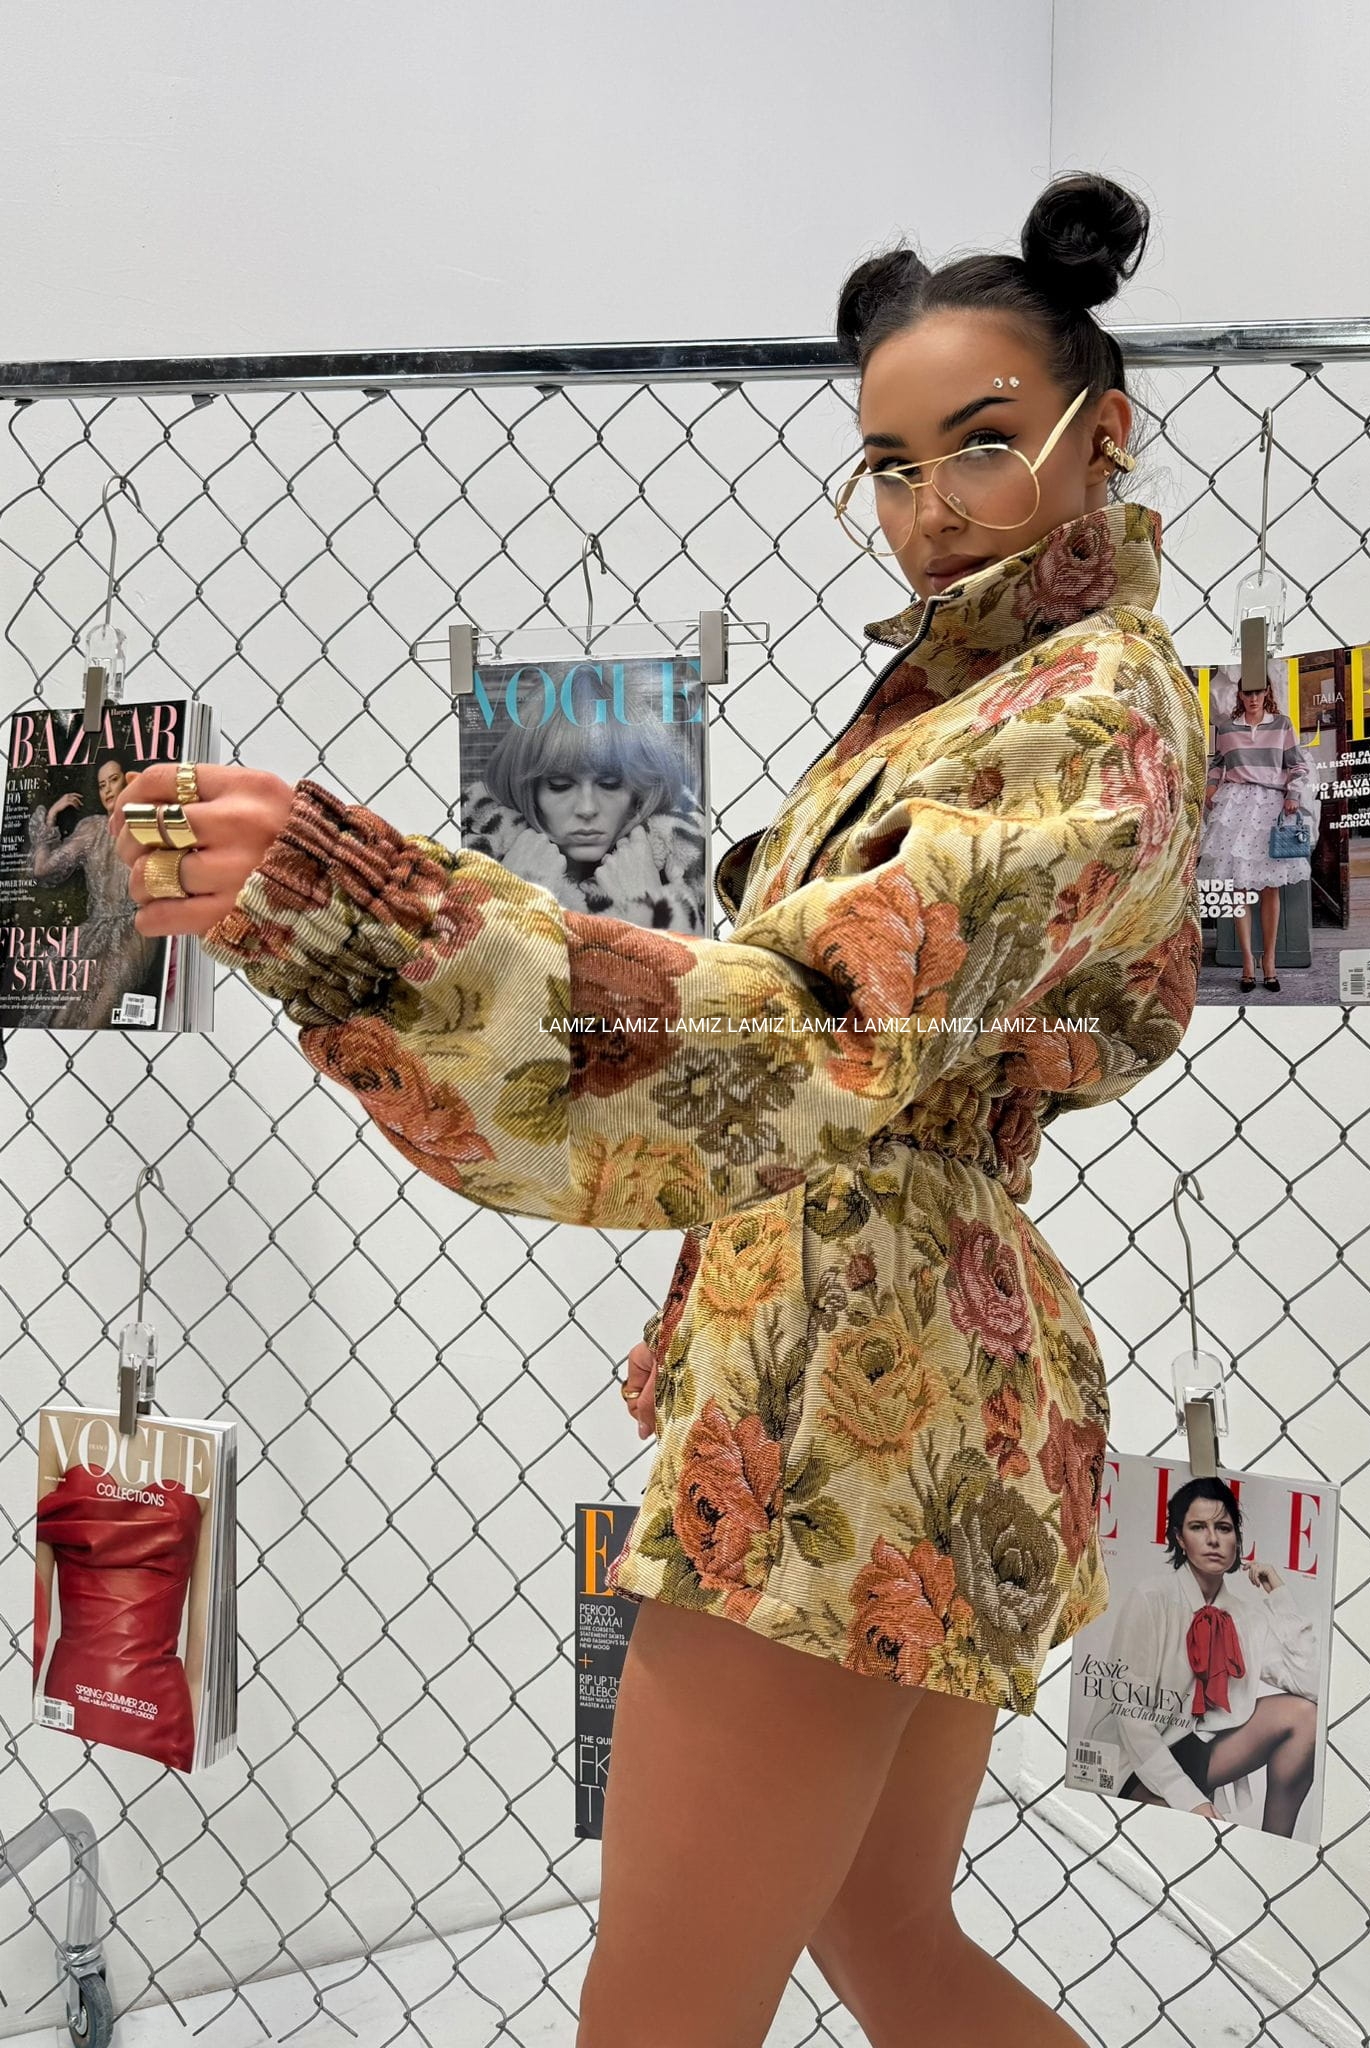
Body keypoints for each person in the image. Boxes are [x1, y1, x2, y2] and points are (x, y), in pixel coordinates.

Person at [113, 171, 1205, 2048]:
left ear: (1100, 433)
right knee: (882, 1926)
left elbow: (811, 1030)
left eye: (981, 445)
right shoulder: (994, 692)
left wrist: (362, 916)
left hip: (861, 1371)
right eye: (885, 467)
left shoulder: (1087, 706)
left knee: (659, 2012)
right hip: (896, 1338)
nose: (927, 509)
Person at [1080, 1477, 1320, 1835]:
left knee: (1305, 1718)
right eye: (1198, 1527)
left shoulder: (1246, 1617)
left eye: (1223, 1528)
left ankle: (1274, 1845)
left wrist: (1280, 1596)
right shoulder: (1152, 1598)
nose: (1212, 1539)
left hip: (1199, 1747)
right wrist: (1189, 1799)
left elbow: (1311, 1685)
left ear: (1237, 1539)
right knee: (1187, 1833)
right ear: (1180, 1538)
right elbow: (1132, 1718)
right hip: (1133, 1755)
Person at [461, 685, 708, 931]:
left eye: (610, 784)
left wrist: (649, 908)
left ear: (638, 791)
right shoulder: (469, 856)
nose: (587, 809)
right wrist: (510, 893)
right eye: (560, 785)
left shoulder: (693, 867)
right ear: (529, 791)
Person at [28, 752, 161, 1028]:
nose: (108, 789)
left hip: (137, 931)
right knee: (64, 1015)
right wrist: (51, 816)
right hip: (96, 932)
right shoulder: (91, 829)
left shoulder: (149, 824)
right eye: (102, 785)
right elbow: (42, 869)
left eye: (114, 780)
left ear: (129, 781)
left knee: (100, 1014)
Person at [1199, 671, 1311, 993]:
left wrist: (1293, 794)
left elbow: (1297, 765)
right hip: (1234, 805)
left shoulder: (1282, 724)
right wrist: (1210, 788)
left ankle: (1269, 960)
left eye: (1258, 692)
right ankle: (1248, 962)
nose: (1252, 698)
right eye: (1247, 693)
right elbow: (1217, 765)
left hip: (1271, 806)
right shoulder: (1227, 728)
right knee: (1239, 889)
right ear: (1239, 695)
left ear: (1266, 693)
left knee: (1270, 888)